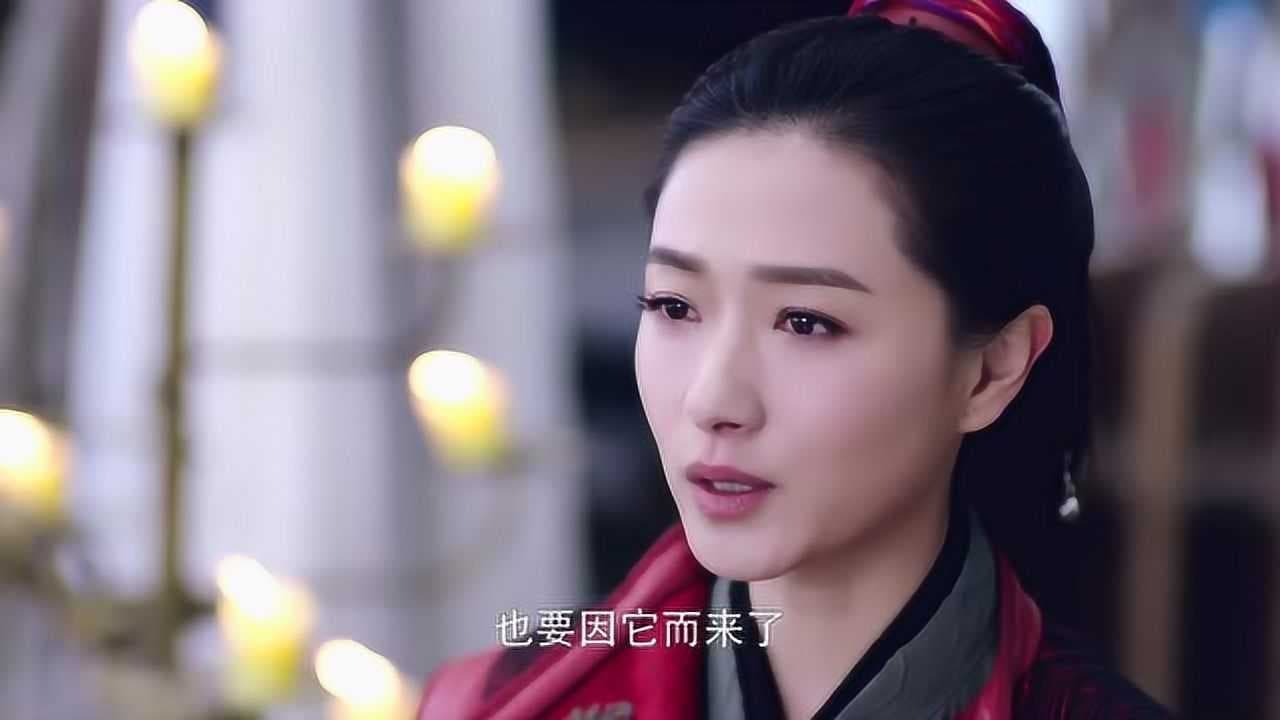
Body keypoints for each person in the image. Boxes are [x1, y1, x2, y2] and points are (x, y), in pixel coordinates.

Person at [416, 1, 1177, 717]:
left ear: (991, 369)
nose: (713, 399)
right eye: (674, 307)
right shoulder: (488, 704)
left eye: (806, 323)